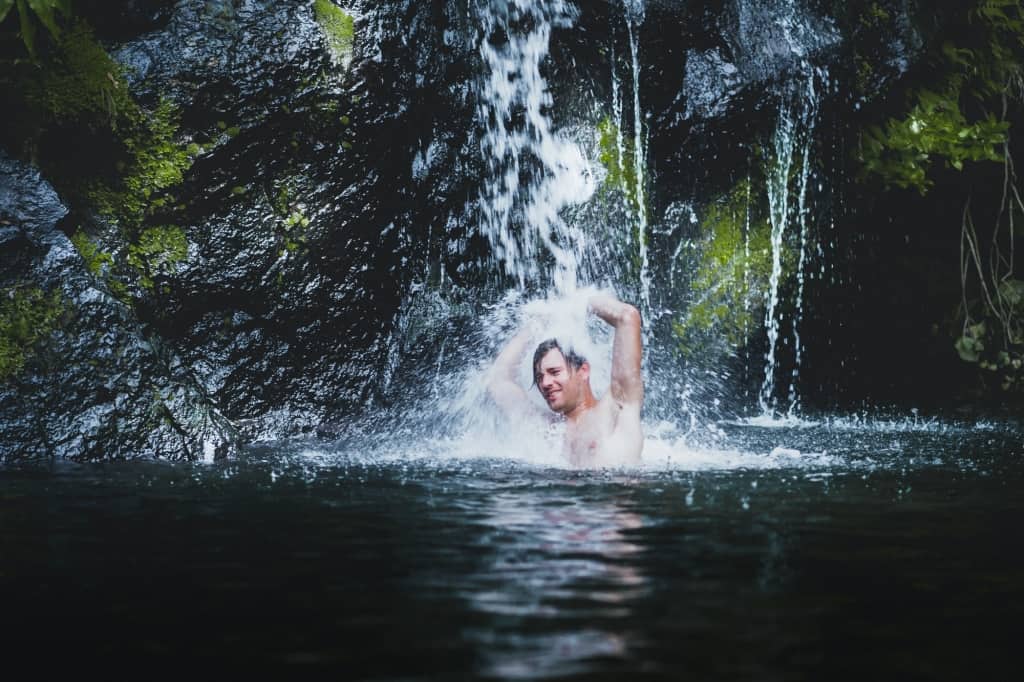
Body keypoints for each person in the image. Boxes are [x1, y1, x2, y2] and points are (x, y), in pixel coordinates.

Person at [486, 293, 643, 467]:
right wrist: (535, 326)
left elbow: (627, 317)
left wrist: (582, 300)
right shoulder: (547, 428)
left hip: (612, 483)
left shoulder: (614, 408)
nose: (545, 383)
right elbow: (498, 380)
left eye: (554, 372)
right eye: (539, 377)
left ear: (583, 371)